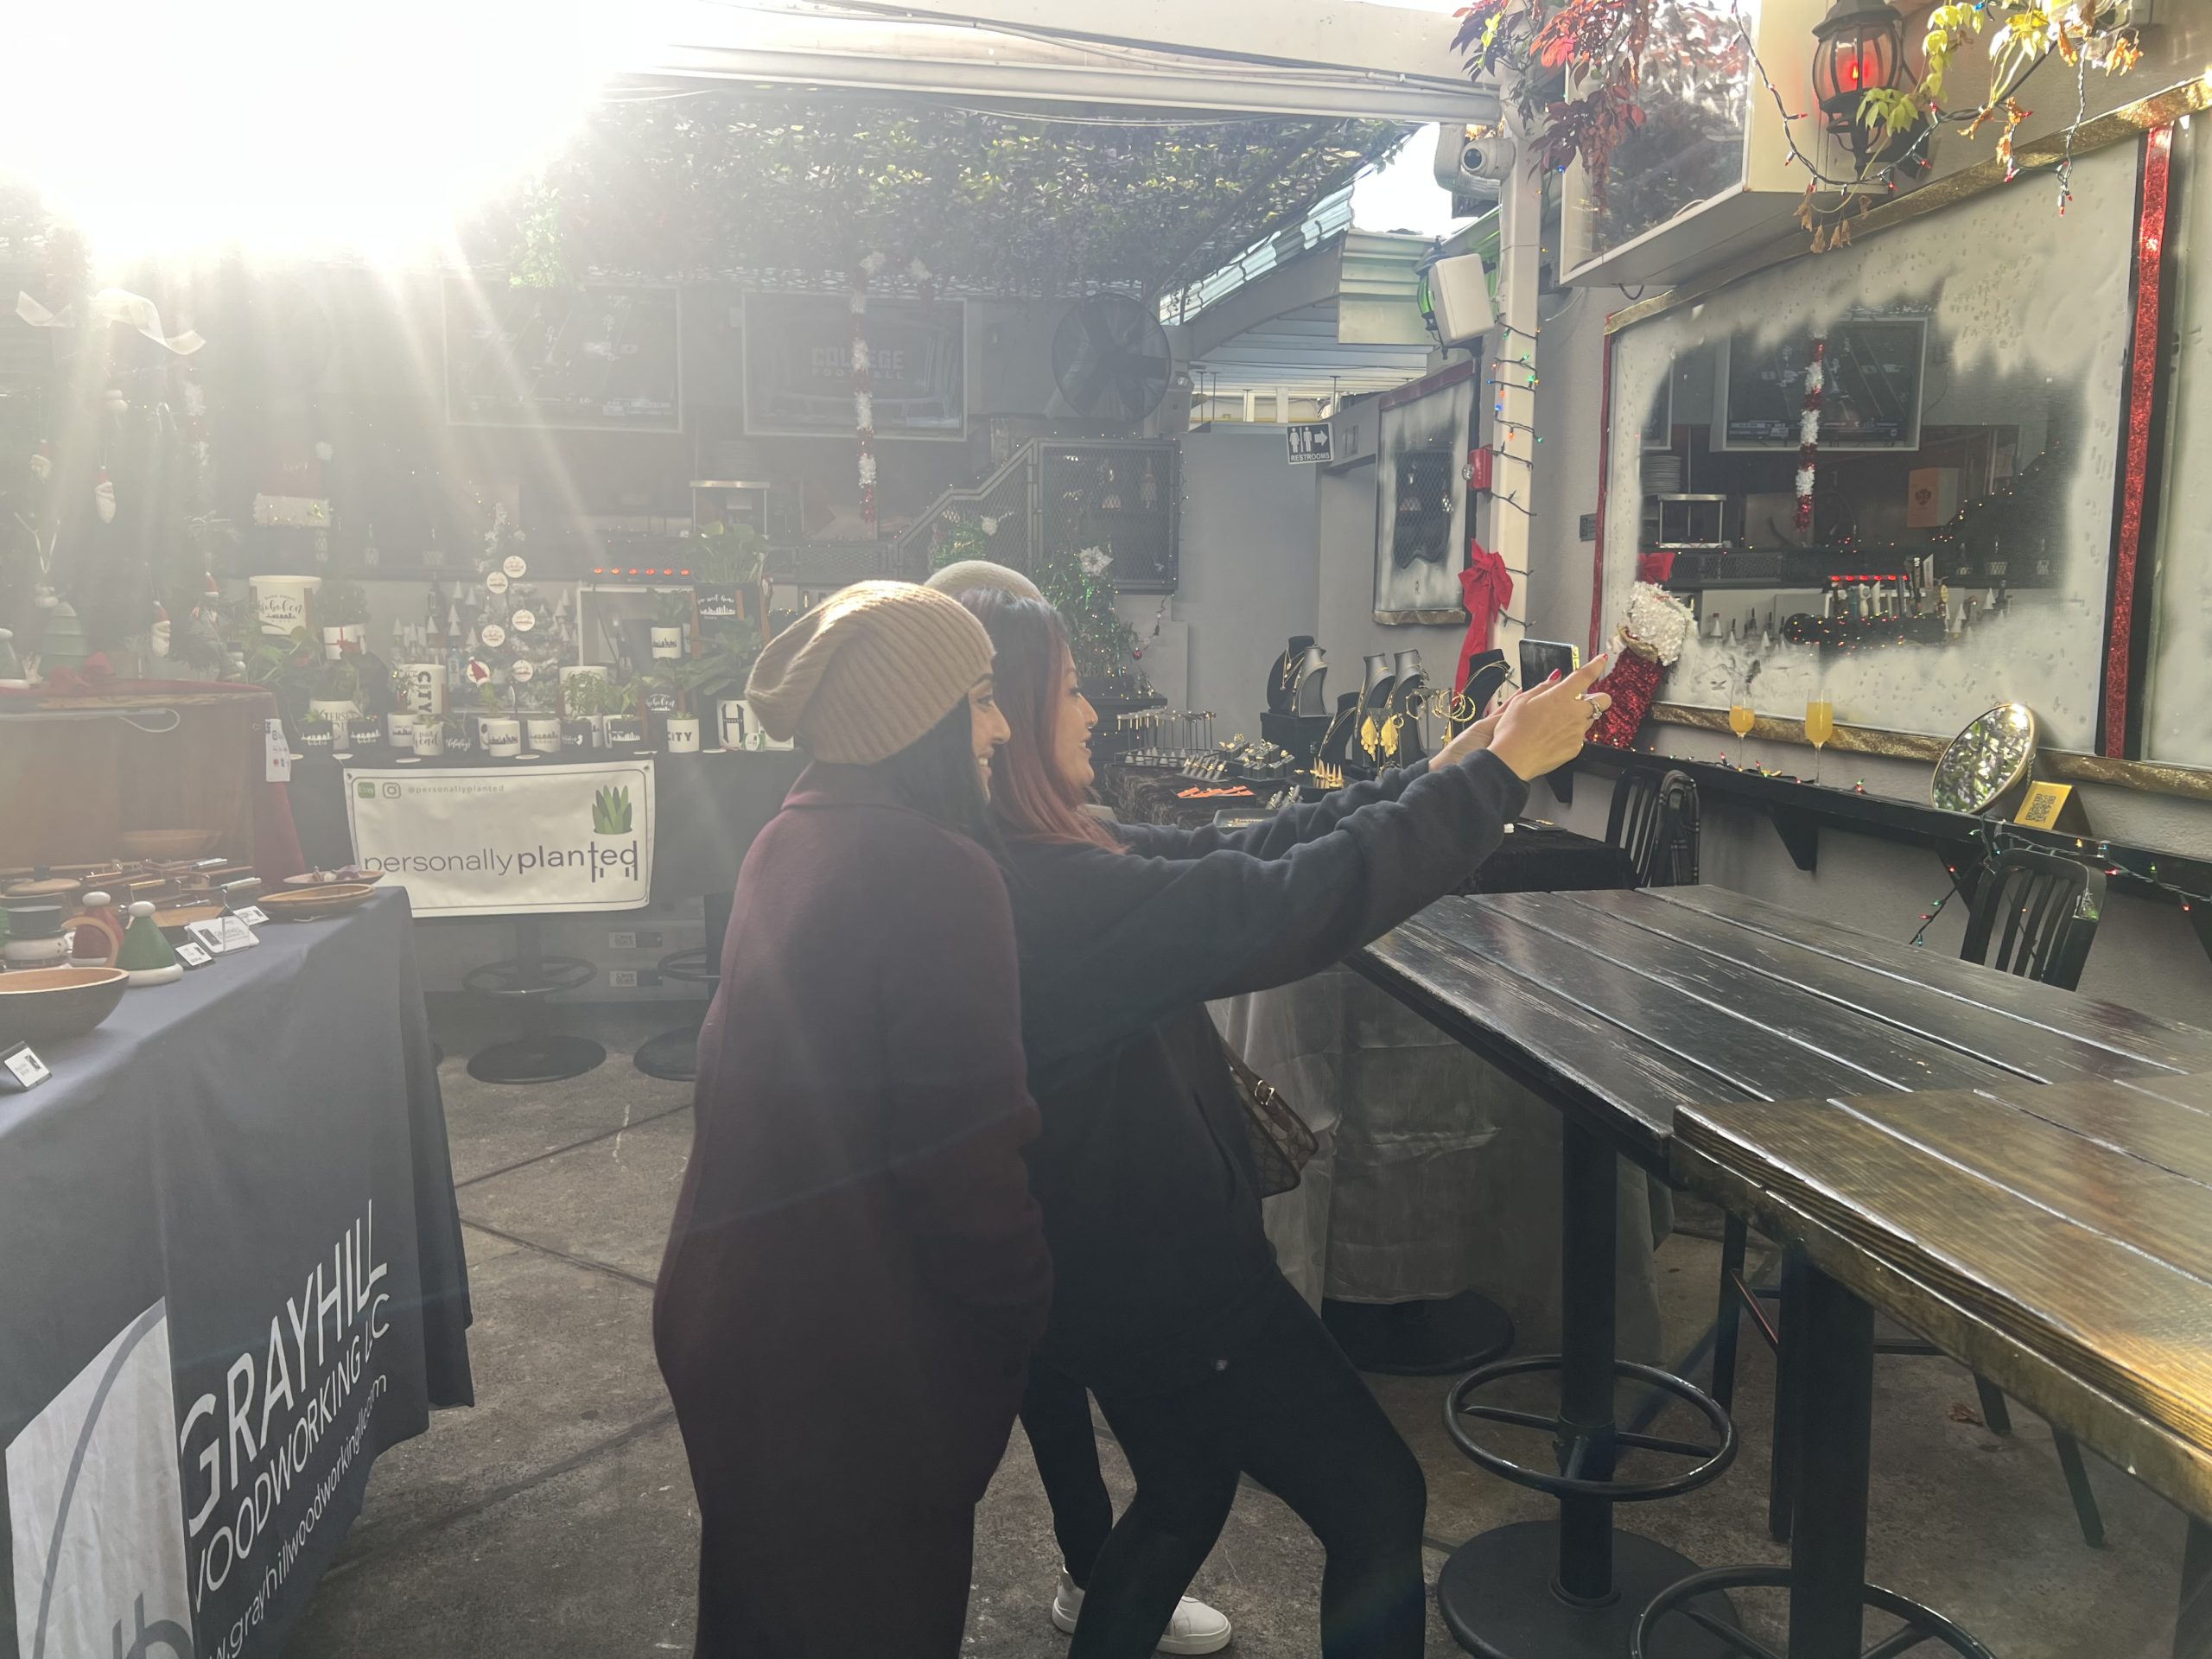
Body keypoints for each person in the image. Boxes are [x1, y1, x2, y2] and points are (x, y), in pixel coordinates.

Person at [957, 587, 1608, 1659]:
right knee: (1379, 1501)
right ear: (1009, 717)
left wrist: (1452, 767)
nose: (1091, 714)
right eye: (1069, 693)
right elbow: (1292, 901)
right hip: (1175, 1292)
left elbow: (1265, 842)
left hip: (1113, 1279)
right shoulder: (1052, 892)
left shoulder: (1045, 855)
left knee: (1181, 1499)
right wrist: (1495, 780)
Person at [654, 581, 1054, 1659]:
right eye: (980, 699)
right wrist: (1020, 1310)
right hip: (840, 1377)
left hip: (735, 1335)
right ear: (916, 720)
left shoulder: (789, 835)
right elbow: (966, 1166)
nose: (1000, 728)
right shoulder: (935, 871)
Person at [924, 562, 1235, 1656]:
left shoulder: (1021, 845)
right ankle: (1097, 1576)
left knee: (1053, 1395)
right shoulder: (1014, 871)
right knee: (1146, 1450)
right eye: (1065, 689)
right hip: (1033, 1204)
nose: (1092, 710)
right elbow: (1268, 898)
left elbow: (1225, 861)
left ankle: (1091, 1572)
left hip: (1025, 1197)